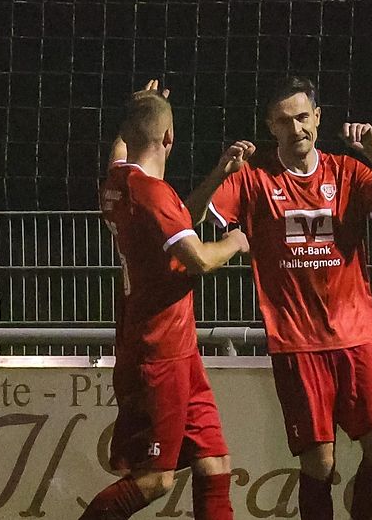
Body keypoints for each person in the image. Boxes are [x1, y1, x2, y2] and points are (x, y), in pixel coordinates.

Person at [185, 76, 372, 520]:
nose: (295, 129)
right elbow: (188, 219)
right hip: (297, 345)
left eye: (301, 117)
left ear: (317, 117)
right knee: (320, 464)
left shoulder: (346, 172)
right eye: (283, 121)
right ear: (270, 128)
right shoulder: (254, 181)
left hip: (355, 339)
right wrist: (221, 171)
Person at [81, 81, 250, 520]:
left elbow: (175, 216)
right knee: (156, 479)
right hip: (158, 355)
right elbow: (197, 258)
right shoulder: (152, 195)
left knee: (215, 465)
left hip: (178, 351)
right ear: (170, 139)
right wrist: (235, 240)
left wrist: (219, 174)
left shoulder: (119, 181)